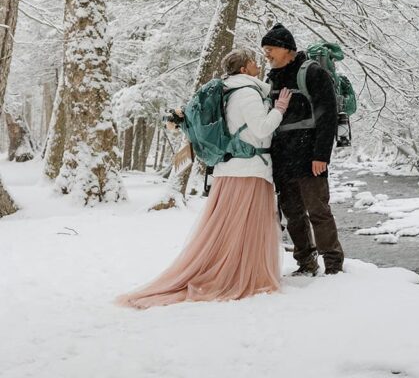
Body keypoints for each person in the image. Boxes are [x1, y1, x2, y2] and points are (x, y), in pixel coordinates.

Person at [117, 48, 292, 308]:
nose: (258, 64)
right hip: (248, 170)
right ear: (243, 69)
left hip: (231, 169)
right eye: (253, 62)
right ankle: (239, 276)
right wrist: (279, 108)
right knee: (246, 227)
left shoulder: (228, 90)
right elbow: (262, 128)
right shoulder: (247, 92)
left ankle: (235, 271)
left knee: (230, 228)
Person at [261, 23, 344, 276]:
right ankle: (306, 263)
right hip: (283, 158)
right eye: (265, 50)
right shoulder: (272, 77)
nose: (267, 54)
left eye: (270, 49)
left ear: (287, 49)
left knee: (318, 211)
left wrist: (321, 155)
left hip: (309, 156)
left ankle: (333, 265)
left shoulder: (313, 72)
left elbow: (327, 115)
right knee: (293, 214)